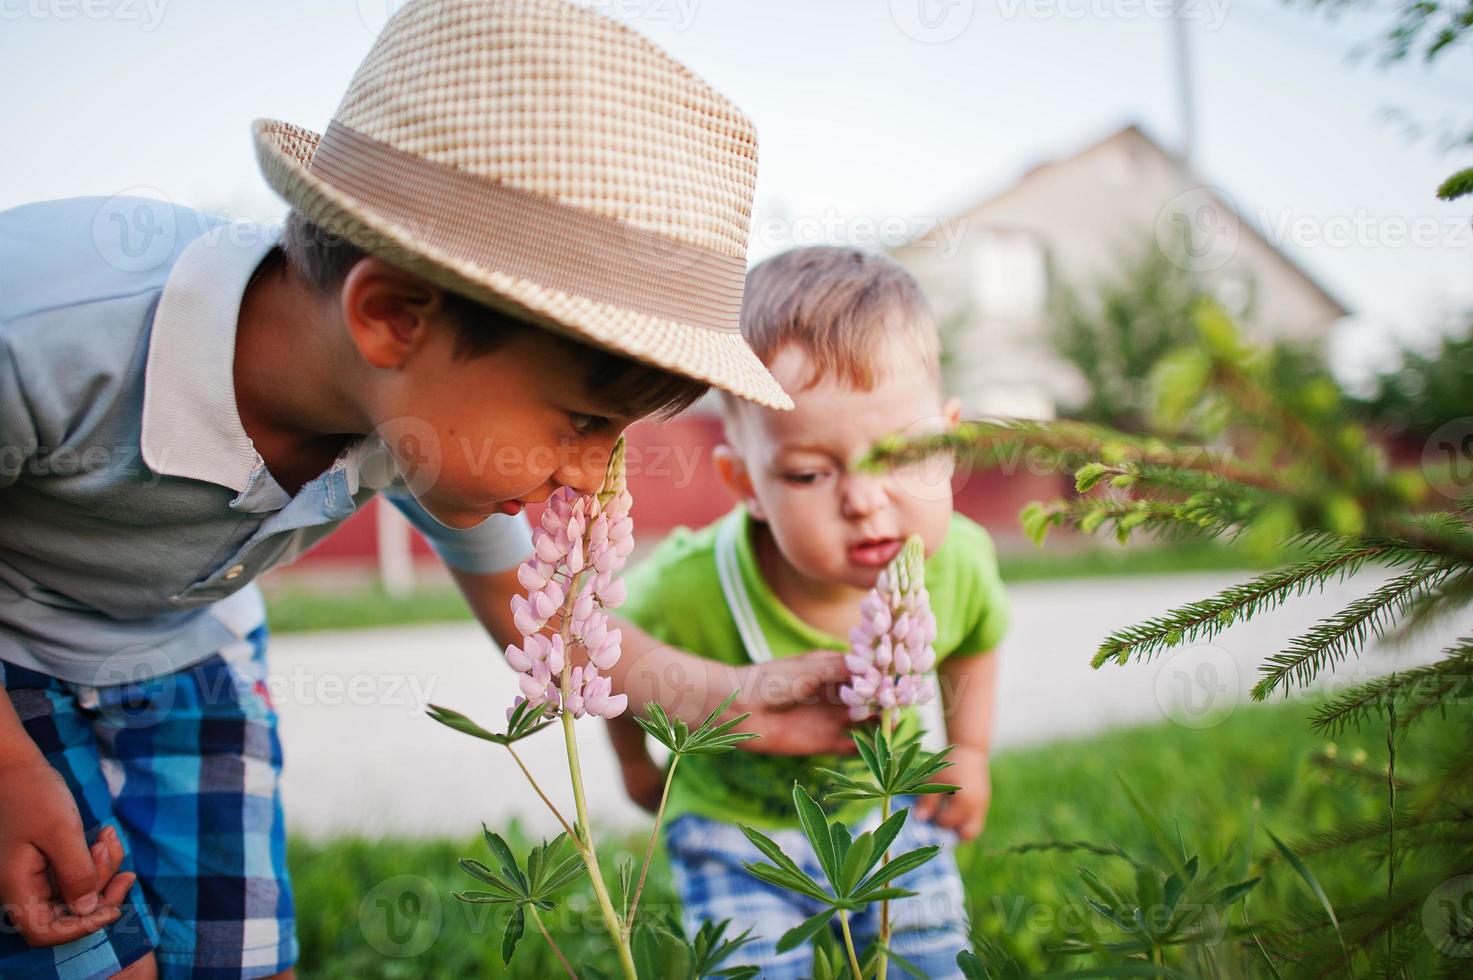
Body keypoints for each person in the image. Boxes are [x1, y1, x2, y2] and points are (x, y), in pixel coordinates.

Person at [0, 2, 857, 977]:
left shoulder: (406, 413)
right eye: (581, 420)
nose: (593, 470)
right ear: (391, 316)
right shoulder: (47, 329)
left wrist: (744, 697)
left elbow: (553, 630)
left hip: (192, 657)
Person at [607, 246, 1011, 978]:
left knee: (927, 963)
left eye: (899, 455)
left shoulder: (959, 562)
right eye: (808, 473)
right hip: (734, 835)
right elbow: (608, 659)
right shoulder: (688, 583)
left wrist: (971, 750)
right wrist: (636, 767)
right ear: (746, 482)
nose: (861, 500)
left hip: (893, 815)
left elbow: (975, 643)